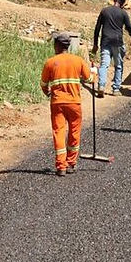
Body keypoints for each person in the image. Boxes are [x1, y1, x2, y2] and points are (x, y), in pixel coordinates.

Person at [40, 32, 94, 176]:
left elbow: (44, 84)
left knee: (59, 132)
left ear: (57, 46)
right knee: (74, 132)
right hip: (74, 103)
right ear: (68, 46)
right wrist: (94, 73)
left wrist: (48, 93)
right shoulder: (78, 60)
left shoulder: (50, 62)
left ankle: (61, 166)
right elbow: (89, 79)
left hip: (57, 103)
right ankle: (71, 163)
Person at [91, 0, 131, 97]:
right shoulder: (123, 13)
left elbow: (97, 28)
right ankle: (116, 89)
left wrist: (95, 44)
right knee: (118, 66)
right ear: (123, 4)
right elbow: (130, 28)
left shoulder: (105, 11)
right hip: (117, 42)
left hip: (105, 42)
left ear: (114, 0)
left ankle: (101, 86)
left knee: (104, 65)